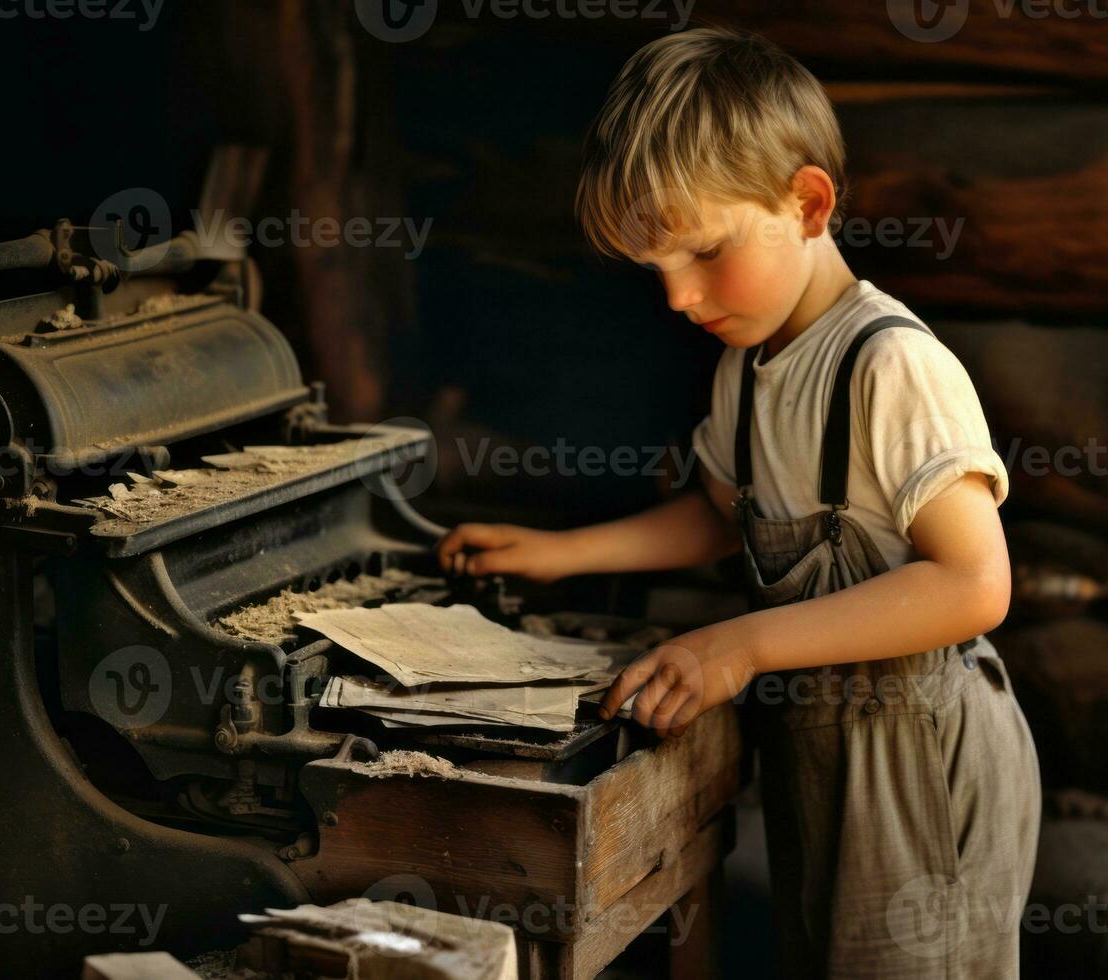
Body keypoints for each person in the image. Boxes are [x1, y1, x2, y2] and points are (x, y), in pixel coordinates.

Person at [436, 26, 1041, 978]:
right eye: (657, 270)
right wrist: (559, 552)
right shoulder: (746, 370)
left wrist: (743, 644)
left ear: (805, 203)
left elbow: (973, 584)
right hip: (820, 756)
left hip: (919, 765)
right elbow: (722, 517)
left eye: (705, 254)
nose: (677, 296)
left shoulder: (890, 367)